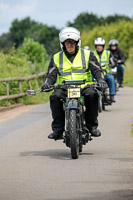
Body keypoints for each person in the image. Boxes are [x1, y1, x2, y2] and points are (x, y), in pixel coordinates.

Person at [41, 27, 107, 140]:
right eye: (67, 42)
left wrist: (100, 80)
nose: (70, 44)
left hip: (84, 86)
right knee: (55, 97)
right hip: (64, 88)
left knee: (92, 95)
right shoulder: (56, 57)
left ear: (77, 42)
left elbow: (97, 70)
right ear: (63, 44)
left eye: (72, 42)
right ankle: (57, 130)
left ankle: (91, 127)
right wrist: (47, 83)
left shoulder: (87, 54)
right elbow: (51, 75)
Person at [93, 37, 116, 103]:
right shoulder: (92, 53)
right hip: (95, 74)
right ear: (95, 46)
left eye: (100, 45)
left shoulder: (108, 53)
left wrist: (113, 64)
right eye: (97, 45)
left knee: (111, 78)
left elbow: (113, 61)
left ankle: (112, 95)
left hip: (106, 73)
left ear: (103, 46)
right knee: (91, 81)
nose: (99, 47)